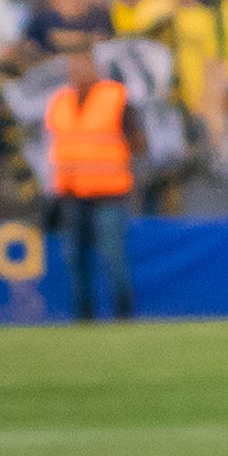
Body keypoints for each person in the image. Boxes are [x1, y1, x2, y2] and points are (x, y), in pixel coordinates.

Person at [42, 35, 141, 320]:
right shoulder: (60, 101)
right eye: (74, 65)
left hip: (108, 194)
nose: (78, 71)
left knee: (113, 258)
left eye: (83, 64)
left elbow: (137, 141)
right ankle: (84, 316)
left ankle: (124, 315)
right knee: (75, 260)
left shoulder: (115, 97)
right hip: (72, 194)